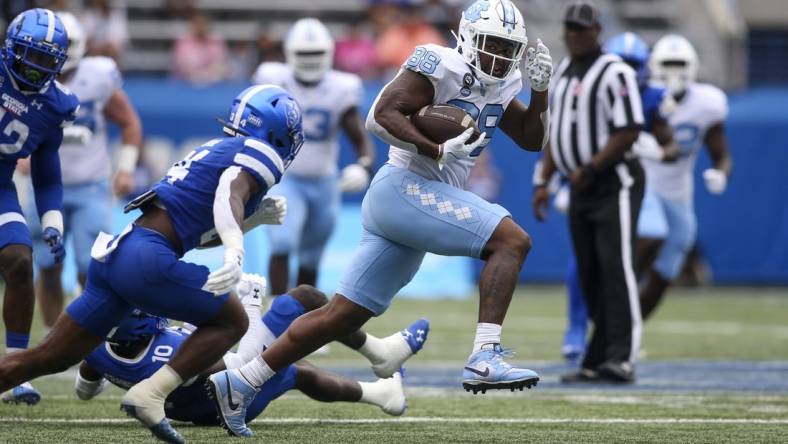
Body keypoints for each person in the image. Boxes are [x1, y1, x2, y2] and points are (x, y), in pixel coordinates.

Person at [208, 0, 553, 436]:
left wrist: (540, 91)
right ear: (467, 38)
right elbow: (380, 116)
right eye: (491, 44)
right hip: (404, 187)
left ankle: (239, 382)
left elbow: (530, 139)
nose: (499, 57)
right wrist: (436, 149)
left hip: (416, 201)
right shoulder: (440, 62)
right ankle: (485, 354)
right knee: (512, 240)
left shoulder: (506, 82)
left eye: (508, 48)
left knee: (341, 316)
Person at [0, 84, 303, 444]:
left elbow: (199, 232)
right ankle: (151, 394)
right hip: (147, 258)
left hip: (119, 254)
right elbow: (229, 194)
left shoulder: (220, 149)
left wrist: (251, 221)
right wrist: (236, 247)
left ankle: (149, 394)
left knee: (46, 357)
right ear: (276, 130)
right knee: (233, 320)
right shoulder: (259, 151)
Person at [75, 275, 429, 426]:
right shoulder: (168, 351)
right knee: (303, 300)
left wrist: (116, 373)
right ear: (133, 324)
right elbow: (241, 369)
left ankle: (383, 392)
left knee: (295, 371)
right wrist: (250, 307)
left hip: (195, 410)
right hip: (231, 401)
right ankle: (380, 354)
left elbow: (85, 389)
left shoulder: (95, 350)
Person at [532, 1, 645, 383]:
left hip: (614, 181)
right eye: (570, 28)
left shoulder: (616, 73)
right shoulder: (562, 71)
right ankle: (598, 358)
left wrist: (592, 167)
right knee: (589, 271)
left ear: (598, 30)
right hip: (578, 184)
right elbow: (556, 134)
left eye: (582, 29)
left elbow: (629, 129)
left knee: (616, 265)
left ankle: (622, 356)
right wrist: (542, 180)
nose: (575, 35)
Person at [558, 31, 677, 365]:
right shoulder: (585, 87)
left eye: (633, 64)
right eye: (621, 62)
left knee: (638, 247)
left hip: (631, 183)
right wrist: (549, 177)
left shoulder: (653, 96)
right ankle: (579, 326)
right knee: (588, 256)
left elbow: (672, 146)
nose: (626, 69)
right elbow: (562, 132)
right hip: (587, 177)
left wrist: (657, 150)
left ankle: (618, 328)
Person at [25, 12, 142, 331]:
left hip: (90, 185)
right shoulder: (27, 76)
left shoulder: (98, 75)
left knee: (89, 265)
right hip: (43, 184)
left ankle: (87, 334)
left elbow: (130, 123)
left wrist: (126, 168)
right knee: (47, 265)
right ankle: (52, 335)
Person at [252, 18, 375, 296]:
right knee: (282, 243)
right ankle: (276, 316)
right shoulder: (273, 79)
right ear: (289, 53)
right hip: (286, 177)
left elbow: (359, 135)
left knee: (311, 257)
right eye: (305, 53)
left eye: (316, 54)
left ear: (329, 54)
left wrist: (364, 166)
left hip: (324, 182)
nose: (310, 60)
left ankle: (301, 323)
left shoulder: (341, 86)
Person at [0, 8, 79, 405]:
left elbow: (48, 173)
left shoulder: (54, 104)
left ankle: (15, 369)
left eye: (48, 59)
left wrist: (52, 222)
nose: (37, 67)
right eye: (32, 55)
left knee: (18, 259)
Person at [637, 34, 731, 320]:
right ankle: (613, 303)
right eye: (669, 64)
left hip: (678, 192)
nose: (675, 71)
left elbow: (721, 154)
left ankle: (630, 327)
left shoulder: (708, 102)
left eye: (681, 64)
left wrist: (721, 173)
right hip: (644, 186)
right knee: (652, 233)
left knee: (668, 266)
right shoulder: (643, 95)